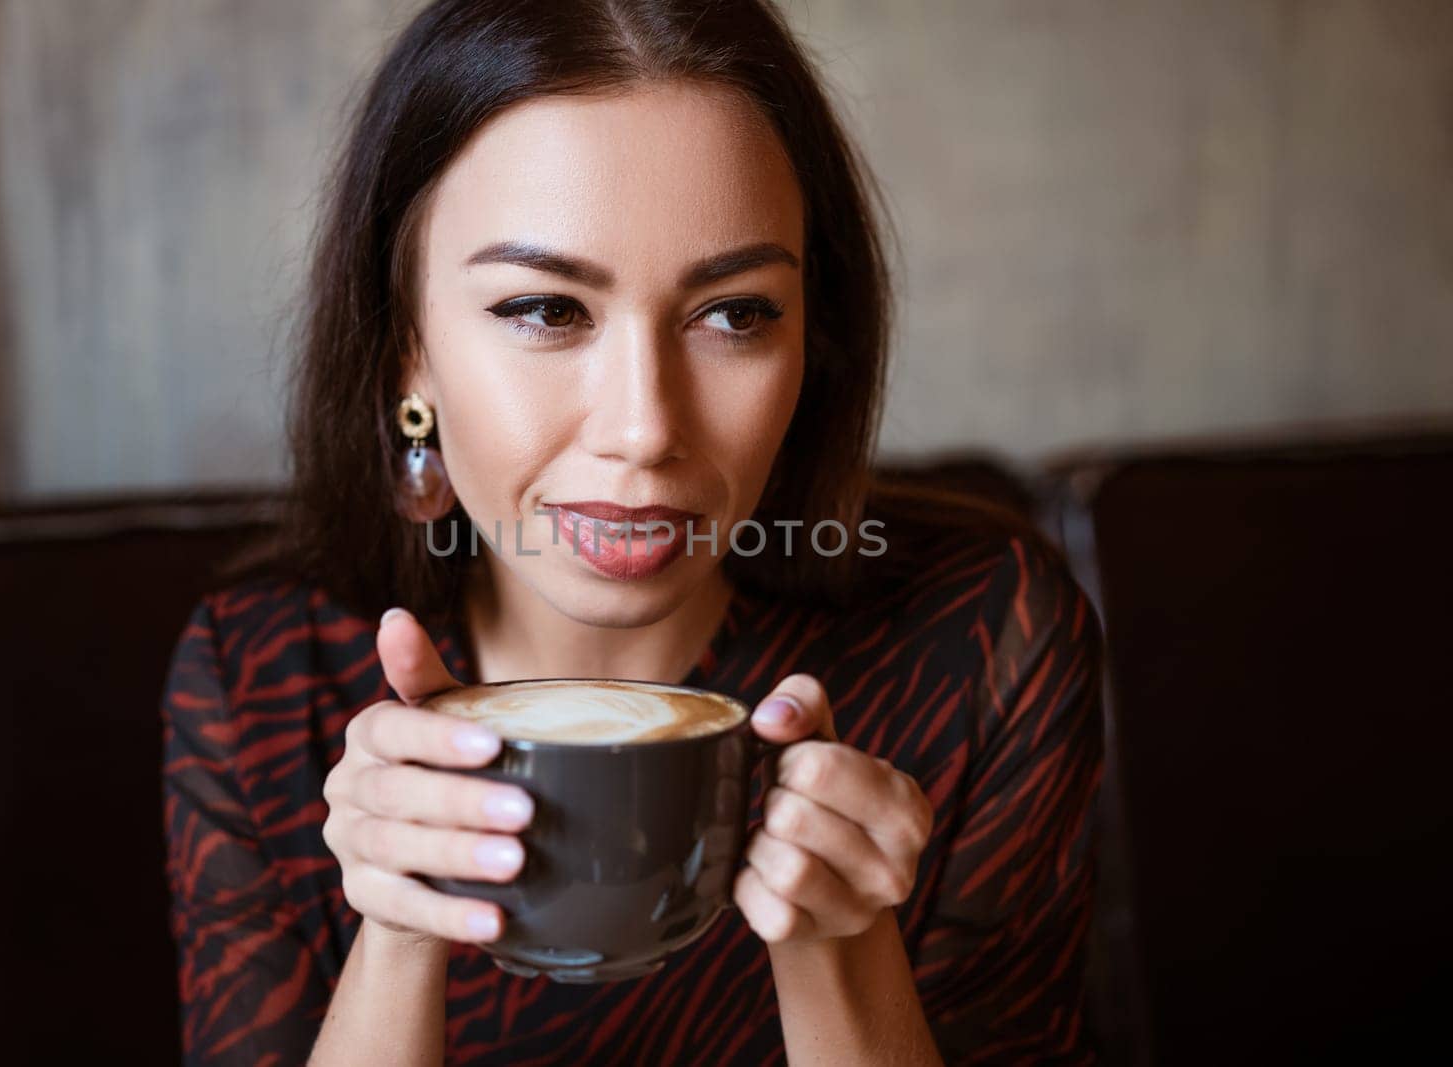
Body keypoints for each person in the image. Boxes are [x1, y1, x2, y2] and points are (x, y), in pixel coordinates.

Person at [160, 0, 1105, 1063]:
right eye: (546, 310)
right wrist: (400, 934)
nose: (645, 427)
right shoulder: (260, 684)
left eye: (736, 313)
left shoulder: (984, 643)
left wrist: (841, 951)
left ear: (813, 341)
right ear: (404, 352)